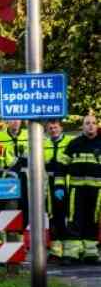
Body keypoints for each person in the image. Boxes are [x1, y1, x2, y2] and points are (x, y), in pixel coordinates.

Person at [62, 112, 101, 264]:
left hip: (97, 191)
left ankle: (90, 253)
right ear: (82, 126)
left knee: (93, 220)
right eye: (87, 123)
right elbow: (62, 166)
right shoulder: (74, 144)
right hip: (76, 190)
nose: (90, 125)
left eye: (93, 123)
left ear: (97, 125)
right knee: (74, 220)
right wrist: (59, 185)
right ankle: (72, 254)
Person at [44, 119, 72, 261]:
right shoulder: (44, 143)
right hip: (50, 184)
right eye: (50, 128)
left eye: (55, 127)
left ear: (61, 128)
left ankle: (68, 251)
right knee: (53, 217)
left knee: (68, 217)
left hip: (68, 183)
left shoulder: (71, 141)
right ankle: (56, 251)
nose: (53, 130)